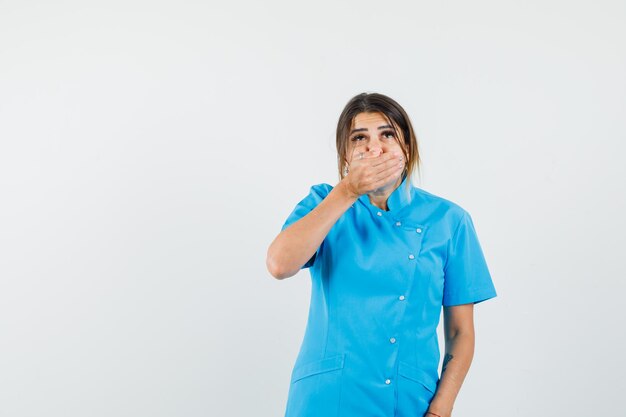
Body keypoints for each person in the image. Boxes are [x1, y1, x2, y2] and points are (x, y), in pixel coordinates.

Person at [266, 92, 497, 417]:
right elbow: (279, 264)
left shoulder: (449, 221)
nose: (374, 147)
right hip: (326, 399)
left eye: (387, 134)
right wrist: (347, 190)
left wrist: (442, 407)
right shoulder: (324, 202)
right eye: (360, 138)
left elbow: (461, 333)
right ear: (346, 156)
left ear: (407, 147)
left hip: (408, 402)